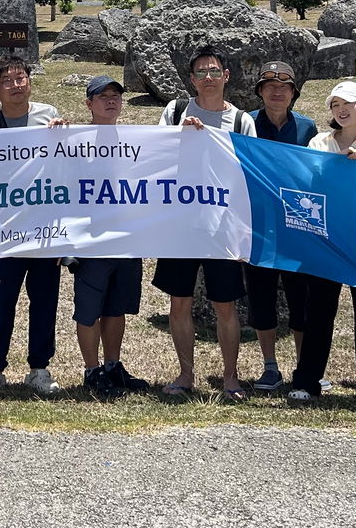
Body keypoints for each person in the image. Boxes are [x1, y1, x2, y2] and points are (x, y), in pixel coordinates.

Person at [153, 45, 255, 399]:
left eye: (214, 71)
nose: (208, 78)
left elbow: (250, 177)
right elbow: (157, 158)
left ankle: (230, 377)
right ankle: (185, 375)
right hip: (180, 223)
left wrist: (244, 231)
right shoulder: (175, 111)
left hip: (223, 226)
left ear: (226, 77)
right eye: (201, 72)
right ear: (191, 79)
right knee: (178, 302)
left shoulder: (242, 122)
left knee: (225, 305)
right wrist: (181, 138)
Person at [289, 80, 356, 408]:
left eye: (348, 103)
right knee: (318, 314)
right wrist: (338, 170)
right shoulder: (318, 144)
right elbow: (306, 190)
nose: (341, 109)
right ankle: (308, 381)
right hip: (325, 243)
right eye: (335, 104)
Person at [0, 54, 69, 397]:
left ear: (29, 80)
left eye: (20, 78)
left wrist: (63, 136)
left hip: (45, 230)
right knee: (3, 302)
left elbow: (66, 172)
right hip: (7, 233)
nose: (15, 85)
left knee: (44, 301)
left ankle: (39, 369)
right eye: (7, 81)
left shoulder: (50, 116)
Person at [243, 60, 319, 393]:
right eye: (270, 86)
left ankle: (305, 368)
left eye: (284, 87)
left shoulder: (307, 129)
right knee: (262, 299)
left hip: (298, 228)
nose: (277, 92)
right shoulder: (245, 125)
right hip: (258, 227)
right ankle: (270, 367)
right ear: (260, 92)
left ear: (293, 93)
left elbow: (322, 173)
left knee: (301, 301)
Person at [72, 75, 149, 399]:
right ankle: (92, 370)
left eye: (115, 95)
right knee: (89, 310)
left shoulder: (139, 142)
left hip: (127, 240)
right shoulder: (73, 142)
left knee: (116, 309)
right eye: (102, 96)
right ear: (89, 104)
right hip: (91, 242)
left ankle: (112, 365)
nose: (110, 100)